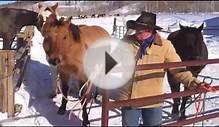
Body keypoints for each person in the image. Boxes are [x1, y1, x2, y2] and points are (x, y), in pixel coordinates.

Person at [117, 11, 203, 126]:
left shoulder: (165, 46)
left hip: (153, 99)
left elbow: (178, 69)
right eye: (136, 28)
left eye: (140, 30)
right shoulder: (126, 41)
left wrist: (194, 83)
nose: (136, 32)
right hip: (129, 98)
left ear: (150, 31)